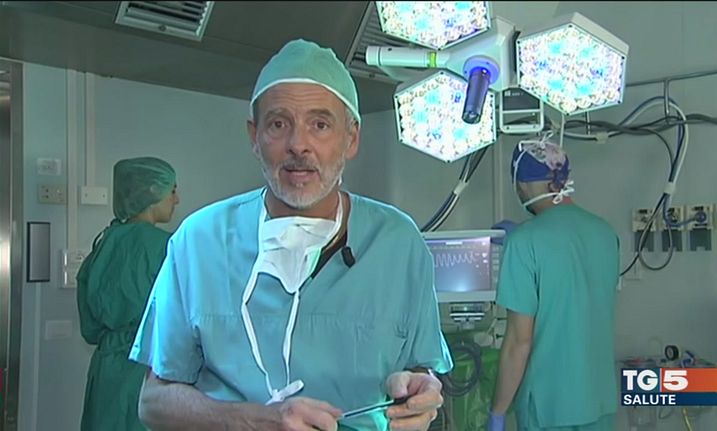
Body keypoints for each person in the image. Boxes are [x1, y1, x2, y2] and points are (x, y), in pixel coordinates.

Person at [129, 38, 453, 431]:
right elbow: (154, 401)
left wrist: (419, 391)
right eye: (279, 124)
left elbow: (421, 368)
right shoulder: (199, 242)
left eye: (320, 125)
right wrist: (256, 421)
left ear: (351, 138)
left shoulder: (398, 243)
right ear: (255, 137)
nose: (299, 145)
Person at [487, 135, 619, 431]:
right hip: (600, 401)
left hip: (549, 407)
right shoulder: (605, 234)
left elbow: (519, 343)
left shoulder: (524, 242)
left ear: (521, 185)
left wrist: (498, 411)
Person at [77, 156, 179, 431]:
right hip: (148, 370)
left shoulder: (104, 243)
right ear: (152, 192)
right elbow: (184, 319)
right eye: (172, 191)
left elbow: (89, 329)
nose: (177, 199)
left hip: (106, 369)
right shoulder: (167, 247)